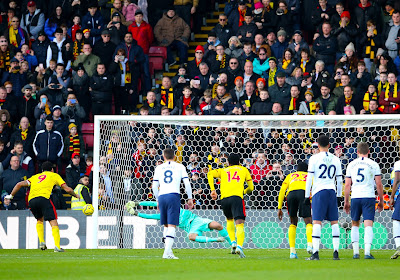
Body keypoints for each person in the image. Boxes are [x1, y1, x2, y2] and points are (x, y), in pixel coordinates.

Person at [5, 161, 79, 252]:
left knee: (39, 220)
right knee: (53, 222)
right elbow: (67, 189)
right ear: (52, 169)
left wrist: (11, 196)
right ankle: (57, 247)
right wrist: (75, 195)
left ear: (42, 170)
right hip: (44, 198)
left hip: (31, 201)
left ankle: (42, 242)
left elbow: (19, 184)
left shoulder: (35, 177)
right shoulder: (54, 175)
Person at [207, 153, 254, 258]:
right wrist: (244, 192)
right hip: (237, 198)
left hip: (224, 199)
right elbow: (251, 188)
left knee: (229, 220)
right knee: (239, 223)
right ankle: (239, 247)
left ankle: (232, 242)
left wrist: (213, 190)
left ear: (228, 162)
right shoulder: (244, 170)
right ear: (239, 162)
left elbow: (209, 174)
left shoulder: (223, 170)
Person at [305, 134, 343, 260]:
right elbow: (339, 179)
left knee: (316, 221)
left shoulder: (314, 159)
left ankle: (315, 253)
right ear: (329, 145)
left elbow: (309, 177)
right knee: (334, 222)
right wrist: (339, 195)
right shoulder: (336, 159)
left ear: (317, 144)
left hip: (319, 192)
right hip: (331, 191)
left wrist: (306, 195)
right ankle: (336, 252)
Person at [151, 148, 193, 259]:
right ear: (174, 156)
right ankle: (166, 253)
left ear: (163, 156)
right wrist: (190, 198)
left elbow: (154, 186)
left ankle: (168, 252)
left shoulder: (159, 167)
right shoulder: (180, 167)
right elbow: (187, 183)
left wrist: (157, 200)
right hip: (173, 196)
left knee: (166, 225)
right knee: (172, 225)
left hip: (162, 196)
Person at [344, 142, 384, 259]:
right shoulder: (374, 164)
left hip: (355, 196)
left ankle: (355, 252)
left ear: (357, 152)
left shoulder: (351, 164)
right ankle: (367, 252)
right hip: (369, 196)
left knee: (355, 224)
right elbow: (379, 184)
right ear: (369, 152)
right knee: (368, 224)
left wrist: (346, 201)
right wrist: (381, 200)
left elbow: (347, 185)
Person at [126, 200, 231, 244]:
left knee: (217, 225)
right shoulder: (165, 216)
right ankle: (216, 239)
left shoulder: (173, 206)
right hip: (190, 228)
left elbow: (153, 203)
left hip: (197, 220)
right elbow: (149, 216)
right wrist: (136, 213)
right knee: (191, 237)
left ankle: (232, 245)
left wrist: (137, 203)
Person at [278, 161, 313, 258]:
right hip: (303, 194)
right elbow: (314, 188)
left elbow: (282, 191)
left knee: (293, 222)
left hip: (291, 195)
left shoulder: (290, 175)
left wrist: (279, 208)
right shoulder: (309, 176)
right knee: (308, 220)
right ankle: (310, 245)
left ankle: (292, 252)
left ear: (297, 169)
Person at [390, 155, 400, 259]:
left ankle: (399, 247)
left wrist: (392, 197)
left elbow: (397, 180)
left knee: (396, 220)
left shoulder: (398, 164)